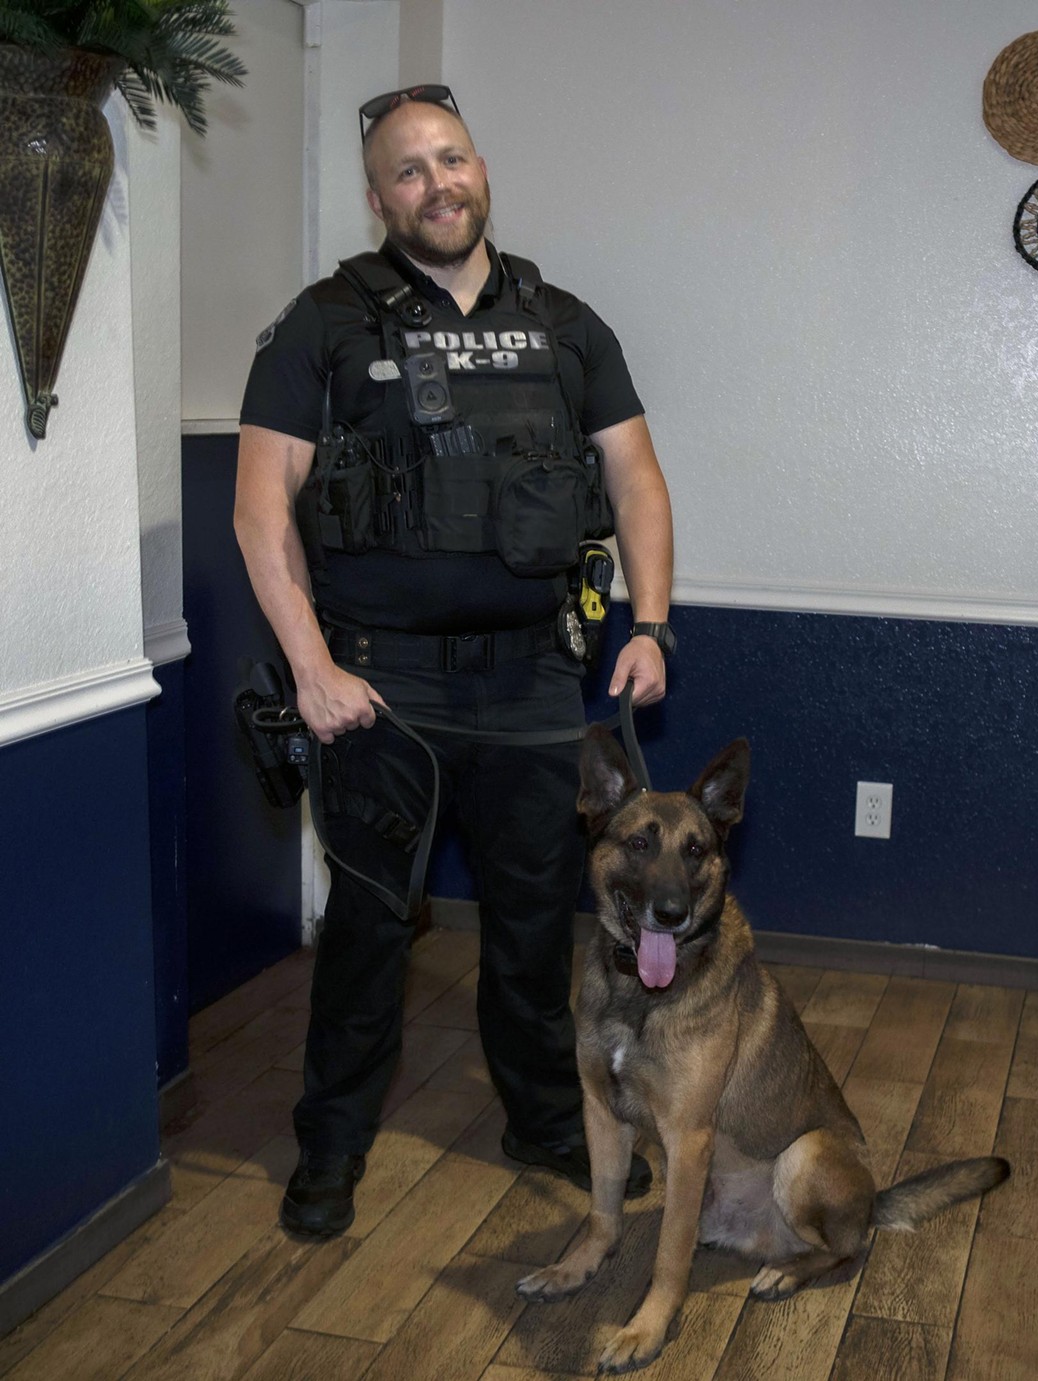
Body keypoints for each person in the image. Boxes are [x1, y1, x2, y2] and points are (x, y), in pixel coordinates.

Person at [234, 84, 675, 1237]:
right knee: (373, 927)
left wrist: (651, 621)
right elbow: (256, 508)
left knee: (534, 926)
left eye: (453, 159)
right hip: (384, 684)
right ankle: (330, 1145)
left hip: (535, 676)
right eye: (409, 171)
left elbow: (632, 478)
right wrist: (314, 669)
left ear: (482, 169)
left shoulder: (566, 323)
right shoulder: (322, 326)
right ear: (379, 198)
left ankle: (540, 1115)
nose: (439, 184)